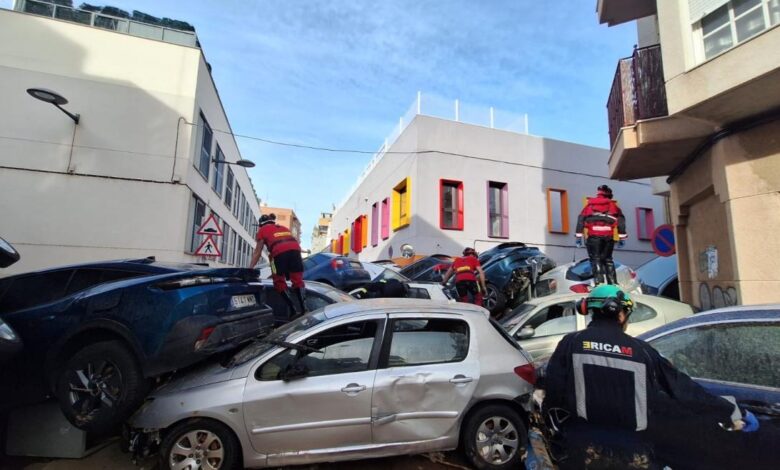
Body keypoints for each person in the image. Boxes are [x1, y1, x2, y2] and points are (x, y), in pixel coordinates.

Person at [543, 285, 759, 469]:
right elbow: (684, 391)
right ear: (620, 314)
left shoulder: (570, 344)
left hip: (582, 452)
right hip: (633, 456)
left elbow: (553, 393)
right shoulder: (642, 352)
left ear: (588, 309)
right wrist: (732, 410)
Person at [249, 213, 306, 317]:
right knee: (297, 280)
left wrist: (250, 268)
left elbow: (258, 252)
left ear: (261, 224)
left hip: (278, 253)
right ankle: (303, 308)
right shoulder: (283, 228)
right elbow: (290, 243)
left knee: (278, 281)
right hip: (296, 251)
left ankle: (292, 308)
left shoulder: (262, 230)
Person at [575, 185, 626, 285]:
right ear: (609, 195)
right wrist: (622, 238)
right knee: (608, 260)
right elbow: (621, 222)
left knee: (595, 259)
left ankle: (599, 284)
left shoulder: (589, 206)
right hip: (608, 237)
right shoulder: (613, 206)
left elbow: (580, 220)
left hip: (593, 237)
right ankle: (613, 283)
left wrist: (578, 237)